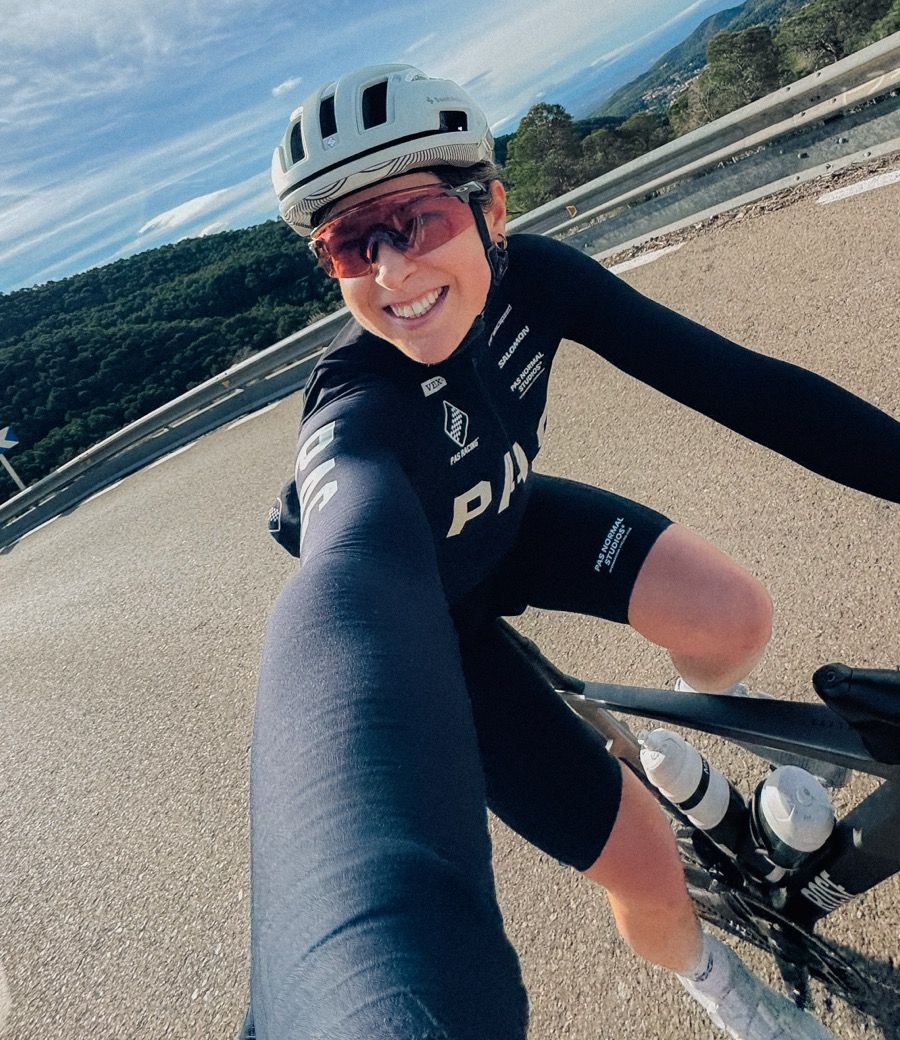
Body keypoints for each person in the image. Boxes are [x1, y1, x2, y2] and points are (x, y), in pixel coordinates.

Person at [243, 63, 900, 1040]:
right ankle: (718, 983)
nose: (390, 272)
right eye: (349, 243)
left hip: (508, 523)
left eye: (416, 220)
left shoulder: (539, 279)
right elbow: (342, 603)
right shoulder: (354, 406)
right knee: (645, 865)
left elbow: (744, 386)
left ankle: (692, 753)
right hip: (435, 625)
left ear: (491, 208)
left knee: (733, 619)